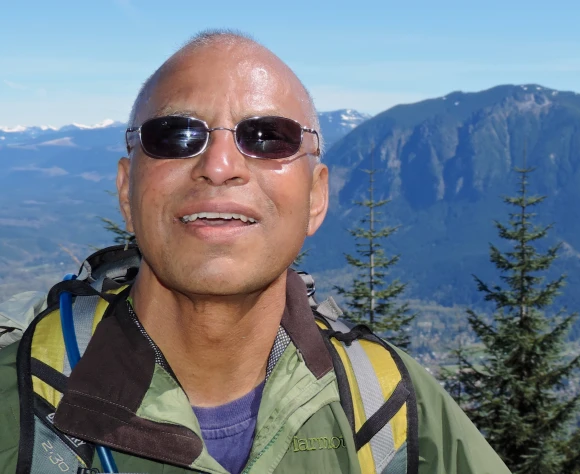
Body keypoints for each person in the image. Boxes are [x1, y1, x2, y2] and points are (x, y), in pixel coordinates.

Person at [0, 30, 510, 474]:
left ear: (316, 197)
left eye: (268, 137)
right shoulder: (14, 399)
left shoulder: (390, 409)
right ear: (125, 192)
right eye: (176, 135)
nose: (220, 166)